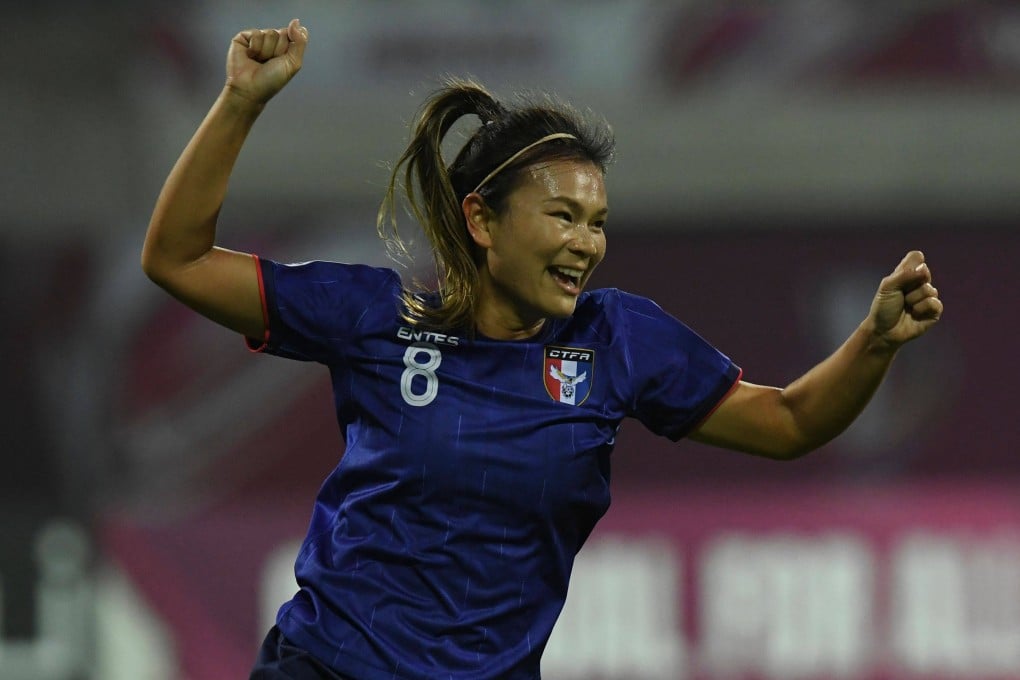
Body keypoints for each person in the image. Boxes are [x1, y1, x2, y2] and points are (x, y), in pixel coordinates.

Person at [141, 18, 943, 680]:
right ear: (483, 221)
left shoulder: (619, 339)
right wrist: (241, 103)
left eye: (596, 222)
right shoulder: (377, 314)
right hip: (329, 667)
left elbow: (790, 423)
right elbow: (175, 260)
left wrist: (874, 342)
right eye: (562, 216)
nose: (587, 243)